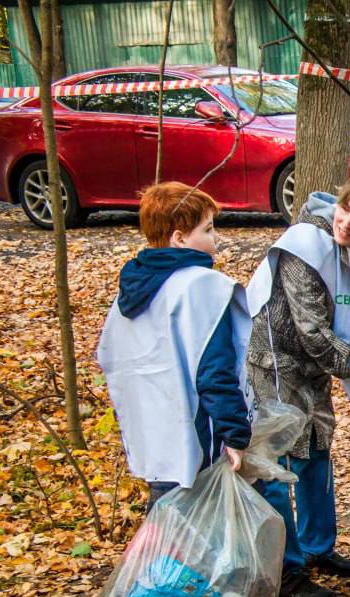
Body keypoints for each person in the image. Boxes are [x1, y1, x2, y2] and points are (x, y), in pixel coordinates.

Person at [246, 175, 350, 597]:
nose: (348, 224)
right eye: (346, 211)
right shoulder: (305, 246)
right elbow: (313, 332)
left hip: (314, 368)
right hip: (277, 363)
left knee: (317, 448)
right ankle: (287, 568)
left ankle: (318, 547)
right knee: (279, 460)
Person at [98, 182, 251, 510]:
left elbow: (112, 358)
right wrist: (235, 435)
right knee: (199, 537)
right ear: (180, 238)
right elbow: (214, 371)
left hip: (150, 437)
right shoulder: (202, 288)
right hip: (196, 441)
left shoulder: (131, 293)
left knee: (166, 531)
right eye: (208, 229)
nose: (216, 238)